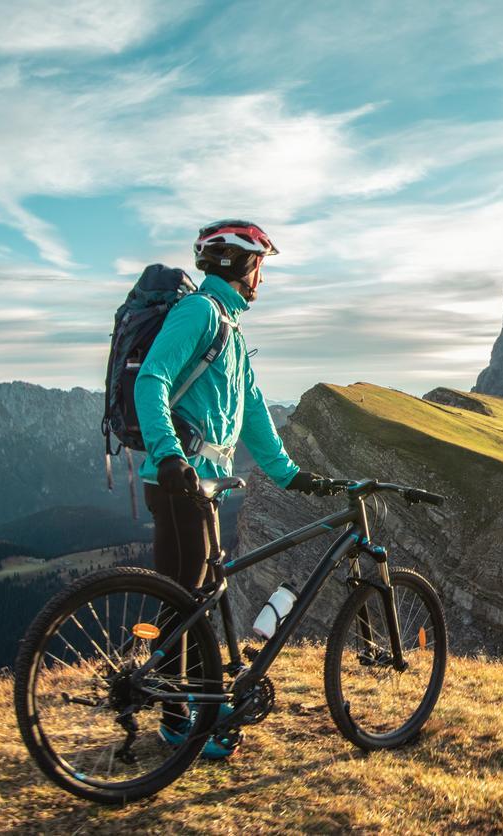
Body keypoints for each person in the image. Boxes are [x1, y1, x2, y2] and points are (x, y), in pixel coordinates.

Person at [134, 219, 332, 758]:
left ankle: (205, 699)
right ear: (239, 265)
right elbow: (149, 380)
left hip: (202, 483)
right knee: (182, 601)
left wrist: (291, 473)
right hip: (178, 480)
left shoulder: (230, 330)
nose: (261, 280)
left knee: (196, 594)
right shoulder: (199, 313)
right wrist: (169, 454)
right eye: (259, 267)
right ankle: (179, 722)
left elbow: (254, 417)